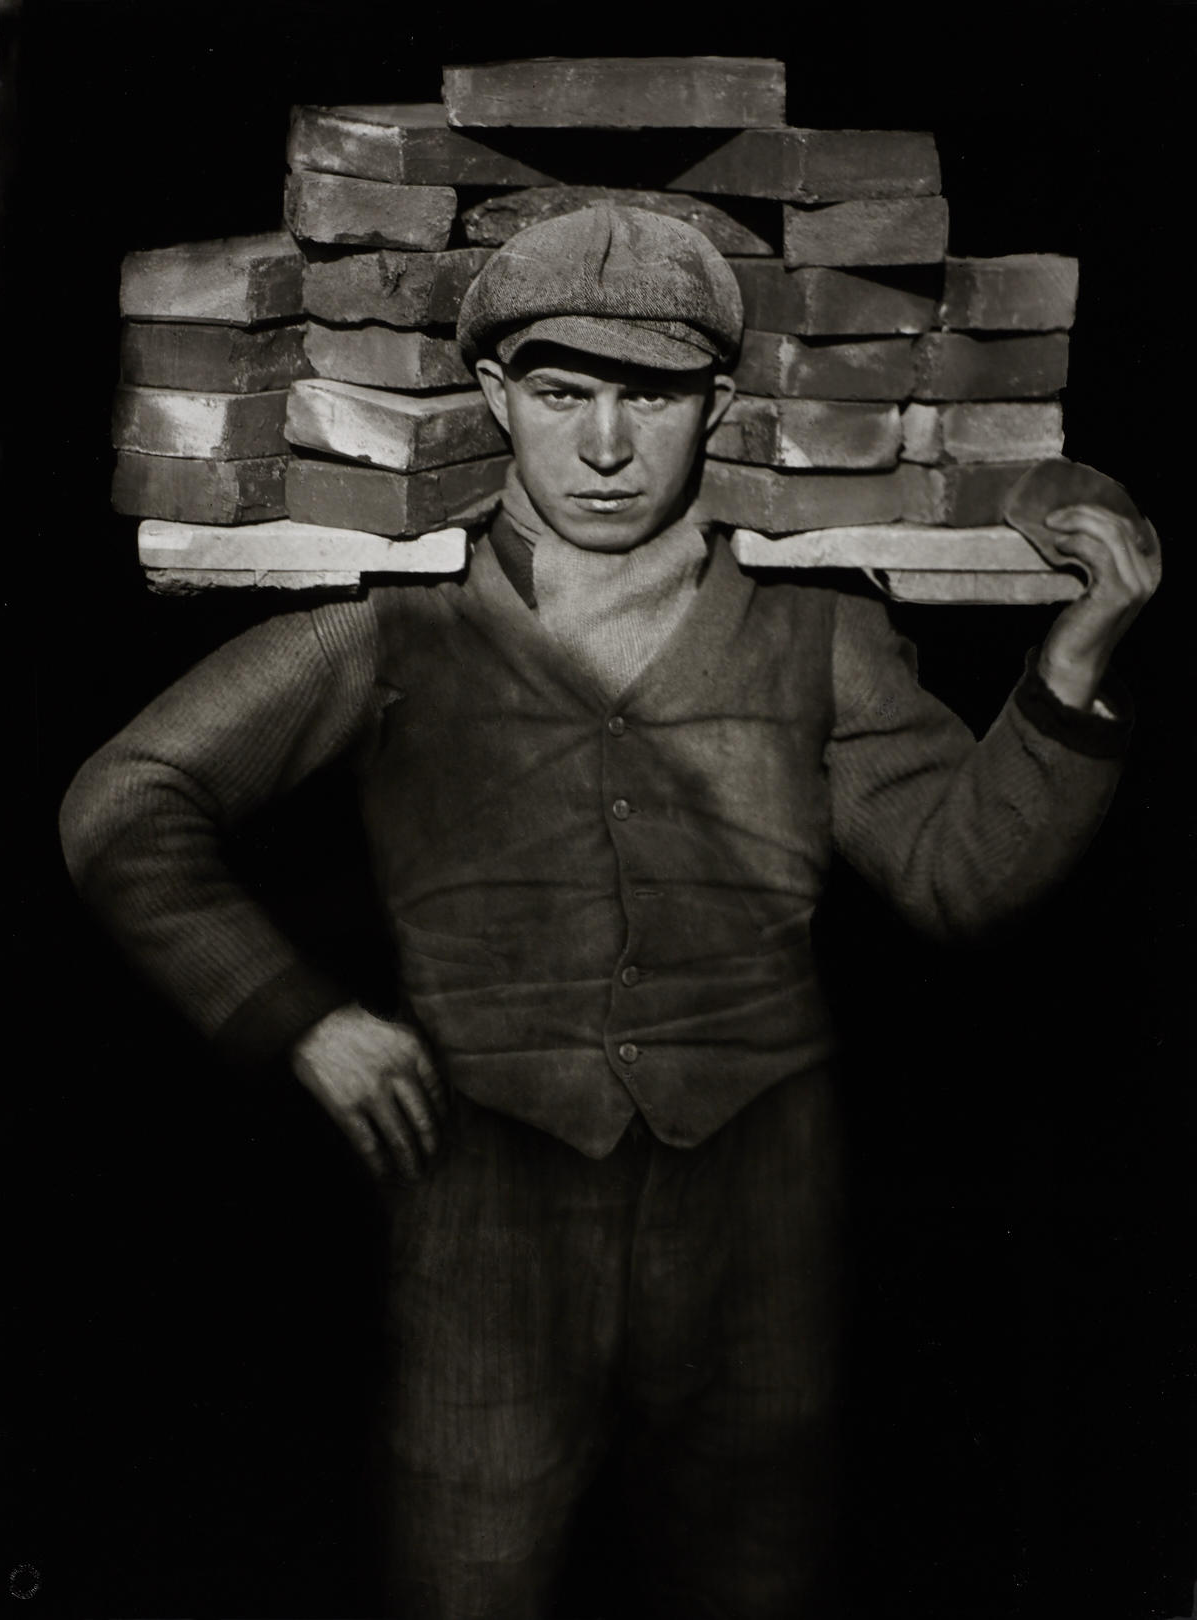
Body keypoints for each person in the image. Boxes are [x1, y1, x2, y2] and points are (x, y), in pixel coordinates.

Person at [59, 203, 1161, 1619]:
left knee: (755, 1582)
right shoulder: (398, 620)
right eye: (564, 394)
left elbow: (963, 881)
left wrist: (1067, 675)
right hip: (484, 1202)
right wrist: (302, 1020)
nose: (601, 446)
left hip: (760, 1204)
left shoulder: (819, 629)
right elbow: (124, 799)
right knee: (469, 1577)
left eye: (647, 397)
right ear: (498, 396)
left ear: (716, 406)